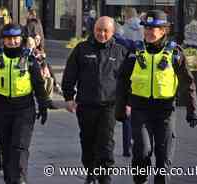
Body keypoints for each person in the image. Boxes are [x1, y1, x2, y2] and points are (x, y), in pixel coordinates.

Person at [116, 10, 197, 184]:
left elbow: (188, 82)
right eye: (146, 28)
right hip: (140, 109)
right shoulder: (135, 52)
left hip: (165, 111)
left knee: (163, 155)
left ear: (163, 31)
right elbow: (123, 81)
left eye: (152, 28)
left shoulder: (175, 53)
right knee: (142, 151)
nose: (148, 32)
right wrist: (120, 109)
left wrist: (193, 110)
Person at [0, 23, 53, 184]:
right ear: (3, 40)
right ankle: (9, 177)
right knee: (5, 146)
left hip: (24, 108)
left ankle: (19, 179)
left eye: (15, 39)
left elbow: (38, 84)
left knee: (19, 146)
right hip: (1, 107)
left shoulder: (29, 58)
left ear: (21, 39)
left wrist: (44, 105)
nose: (12, 42)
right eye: (8, 39)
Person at [61, 16, 129, 184]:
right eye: (99, 30)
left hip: (109, 106)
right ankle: (91, 172)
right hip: (85, 105)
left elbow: (129, 80)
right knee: (88, 141)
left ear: (112, 32)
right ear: (93, 29)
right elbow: (70, 74)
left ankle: (105, 177)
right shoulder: (81, 49)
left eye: (106, 31)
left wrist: (128, 102)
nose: (102, 34)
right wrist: (69, 97)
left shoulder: (120, 52)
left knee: (106, 142)